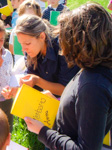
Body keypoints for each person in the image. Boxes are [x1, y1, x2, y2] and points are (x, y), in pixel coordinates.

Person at [24, 3, 112, 150]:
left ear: (82, 42)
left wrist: (43, 132)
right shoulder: (93, 66)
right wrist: (60, 107)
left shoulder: (93, 87)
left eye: (65, 39)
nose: (63, 49)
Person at [3, 15, 79, 99]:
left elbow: (66, 89)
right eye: (21, 44)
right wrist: (17, 89)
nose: (23, 49)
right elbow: (31, 77)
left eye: (27, 43)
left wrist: (37, 81)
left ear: (42, 36)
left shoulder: (63, 48)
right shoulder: (31, 50)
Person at [9, 0, 42, 67]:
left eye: (32, 17)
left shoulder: (40, 32)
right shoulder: (15, 31)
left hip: (37, 67)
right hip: (20, 67)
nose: (28, 20)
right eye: (25, 17)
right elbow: (11, 50)